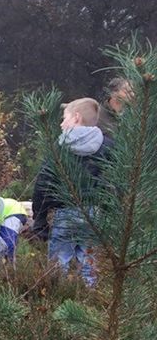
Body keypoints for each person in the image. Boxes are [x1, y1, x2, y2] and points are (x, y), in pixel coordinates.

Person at [32, 97, 111, 287]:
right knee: (89, 265)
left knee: (59, 263)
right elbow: (117, 183)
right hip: (95, 214)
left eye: (64, 118)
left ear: (76, 118)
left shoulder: (58, 147)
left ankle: (56, 300)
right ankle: (91, 302)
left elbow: (43, 184)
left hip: (65, 212)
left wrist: (40, 219)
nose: (61, 123)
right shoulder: (108, 146)